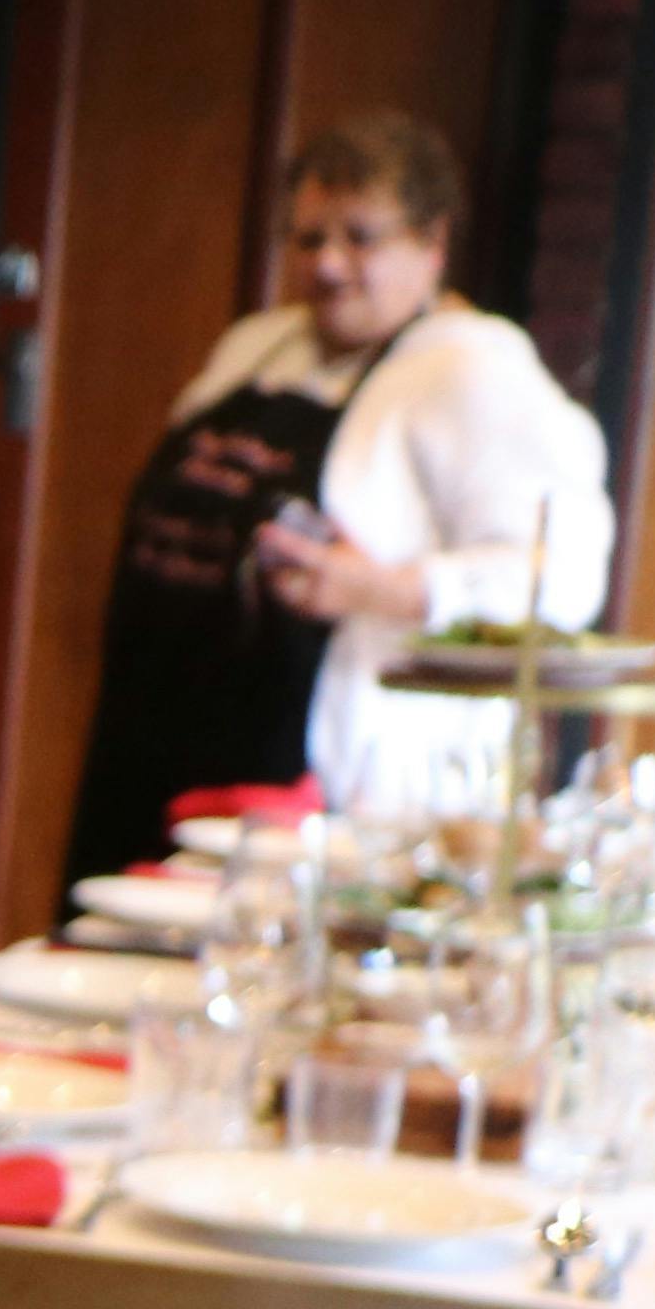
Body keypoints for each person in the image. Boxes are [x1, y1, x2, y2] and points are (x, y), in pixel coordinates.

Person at [58, 109, 614, 873]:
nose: (327, 264)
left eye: (361, 237)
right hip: (159, 737)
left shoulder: (473, 369)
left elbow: (564, 572)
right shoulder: (258, 348)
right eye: (309, 237)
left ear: (432, 244)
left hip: (316, 775)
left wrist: (385, 588)